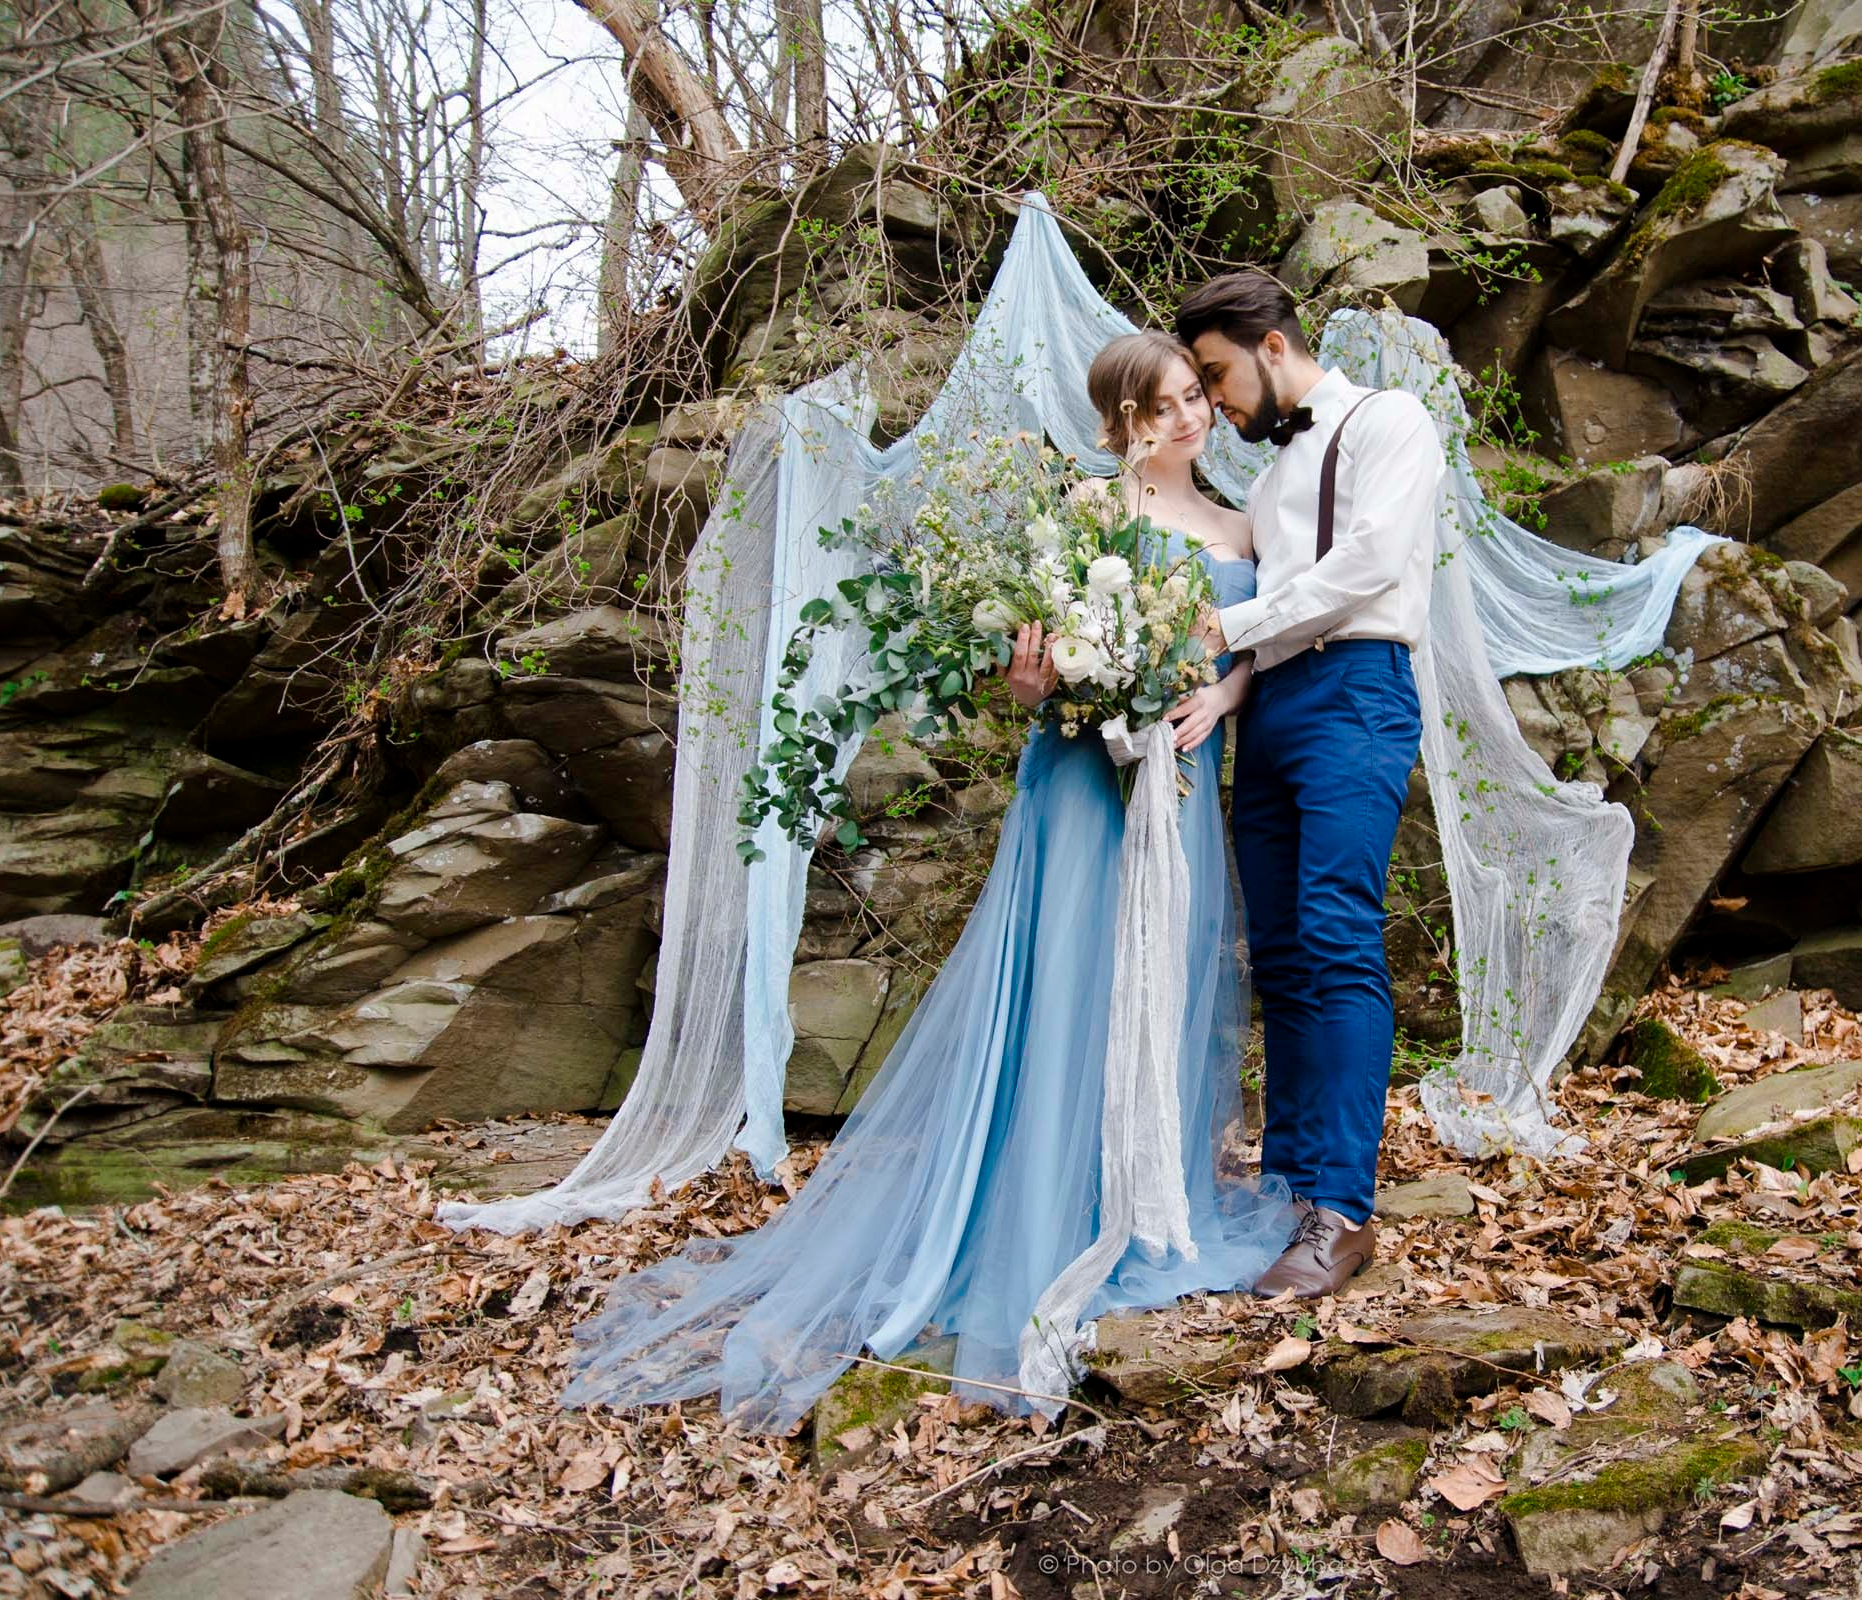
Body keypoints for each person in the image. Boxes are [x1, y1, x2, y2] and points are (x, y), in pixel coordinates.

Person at [557, 332, 1300, 1432]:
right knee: (1070, 988)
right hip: (1084, 787)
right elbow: (1026, 678)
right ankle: (1043, 1215)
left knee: (1166, 984)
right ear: (1118, 426)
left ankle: (1148, 1208)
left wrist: (1224, 702)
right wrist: (1035, 675)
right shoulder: (1086, 518)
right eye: (1155, 409)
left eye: (1191, 396)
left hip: (1181, 788)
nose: (1183, 420)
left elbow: (1254, 649)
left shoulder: (1242, 527)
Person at [1177, 271, 1447, 1299]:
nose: (1213, 402)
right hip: (1274, 706)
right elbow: (1263, 608)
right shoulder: (1263, 485)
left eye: (1216, 375)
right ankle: (1290, 1188)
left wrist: (1231, 629)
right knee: (1279, 950)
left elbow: (1374, 560)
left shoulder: (1391, 420)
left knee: (1337, 931)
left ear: (1273, 345)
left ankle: (1344, 1206)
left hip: (1357, 693)